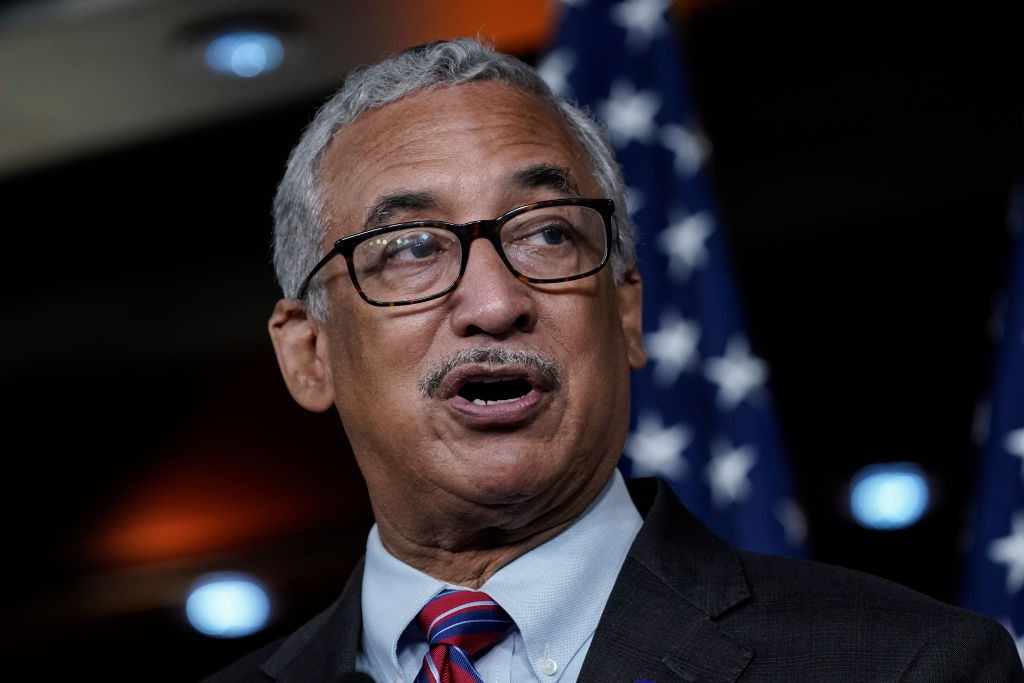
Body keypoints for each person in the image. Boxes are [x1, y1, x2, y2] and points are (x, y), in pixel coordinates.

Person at [200, 37, 1024, 682]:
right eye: (411, 247)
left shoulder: (907, 666)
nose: (494, 302)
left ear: (626, 310)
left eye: (549, 233)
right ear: (308, 353)